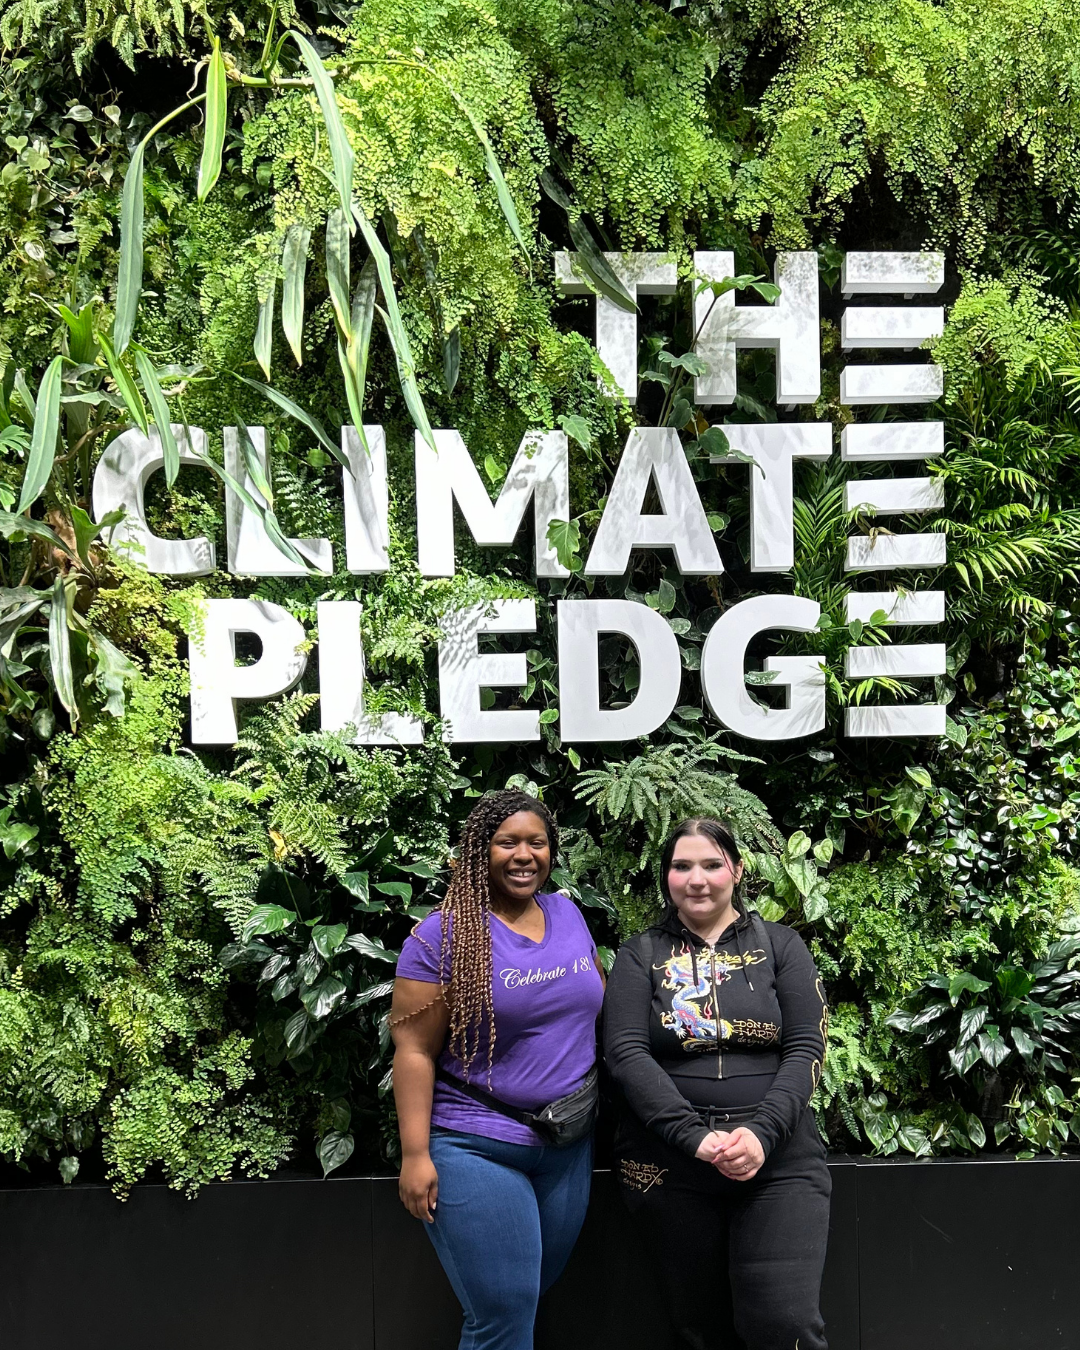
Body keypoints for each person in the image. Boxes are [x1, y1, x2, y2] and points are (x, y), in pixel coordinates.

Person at [603, 816, 831, 1350]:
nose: (697, 878)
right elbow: (625, 1054)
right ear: (666, 878)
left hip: (779, 1163)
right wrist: (696, 1138)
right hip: (669, 1166)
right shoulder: (639, 955)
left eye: (711, 864)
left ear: (738, 870)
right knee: (698, 1330)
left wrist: (760, 1135)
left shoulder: (782, 945)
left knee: (785, 1325)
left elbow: (805, 1048)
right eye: (682, 866)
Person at [391, 789, 604, 1350]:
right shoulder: (442, 936)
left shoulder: (567, 913)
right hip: (477, 1144)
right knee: (503, 1314)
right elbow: (413, 1049)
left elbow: (591, 1002)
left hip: (566, 1144)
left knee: (529, 1292)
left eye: (537, 842)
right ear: (479, 850)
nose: (523, 854)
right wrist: (415, 1154)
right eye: (506, 842)